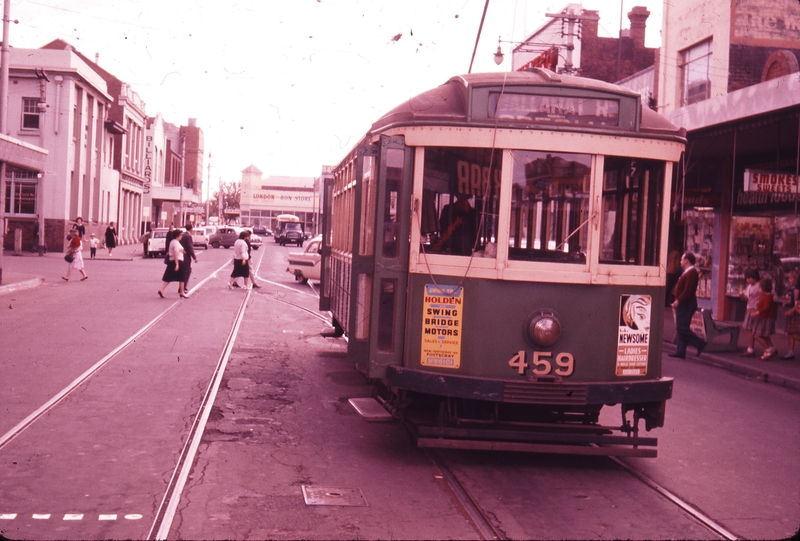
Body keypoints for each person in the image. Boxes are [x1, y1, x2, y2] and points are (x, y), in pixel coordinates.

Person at [669, 252, 707, 359]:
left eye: (682, 259)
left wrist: (678, 301)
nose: (680, 261)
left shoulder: (692, 273)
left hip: (687, 304)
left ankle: (700, 343)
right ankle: (680, 351)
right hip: (685, 303)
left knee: (681, 327)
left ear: (686, 260)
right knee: (682, 327)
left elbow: (688, 290)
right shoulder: (687, 272)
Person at [750, 278, 777, 361]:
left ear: (764, 289)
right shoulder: (765, 296)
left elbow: (766, 307)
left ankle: (767, 349)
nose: (758, 289)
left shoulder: (768, 297)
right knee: (765, 335)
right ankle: (771, 348)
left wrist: (756, 312)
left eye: (759, 288)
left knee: (757, 335)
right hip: (763, 318)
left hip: (765, 318)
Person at [158, 229, 188, 298]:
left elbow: (175, 251)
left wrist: (182, 251)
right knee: (182, 277)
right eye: (180, 235)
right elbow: (175, 253)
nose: (181, 236)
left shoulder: (172, 242)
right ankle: (182, 292)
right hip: (178, 261)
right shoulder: (176, 243)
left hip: (172, 261)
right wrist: (177, 264)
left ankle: (161, 289)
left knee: (169, 277)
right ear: (177, 235)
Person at [739, 268, 762, 357]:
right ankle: (751, 348)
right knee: (749, 329)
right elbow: (748, 298)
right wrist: (742, 296)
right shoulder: (750, 286)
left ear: (754, 277)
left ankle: (751, 349)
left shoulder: (759, 286)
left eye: (749, 278)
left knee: (752, 329)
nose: (747, 280)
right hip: (749, 309)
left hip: (755, 310)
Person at [782, 270, 799, 360]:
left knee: (796, 333)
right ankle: (790, 351)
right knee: (790, 332)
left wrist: (791, 311)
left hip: (796, 313)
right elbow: (794, 302)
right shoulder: (793, 290)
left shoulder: (797, 290)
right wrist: (788, 303)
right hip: (794, 312)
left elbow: (797, 304)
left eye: (791, 278)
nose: (789, 280)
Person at [179, 224, 199, 296]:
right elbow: (190, 248)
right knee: (186, 272)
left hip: (181, 256)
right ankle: (183, 288)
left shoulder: (182, 235)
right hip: (186, 257)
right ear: (191, 229)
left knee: (184, 271)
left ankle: (181, 287)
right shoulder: (188, 236)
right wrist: (194, 257)